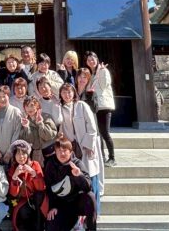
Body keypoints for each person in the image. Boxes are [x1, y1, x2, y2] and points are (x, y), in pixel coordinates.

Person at [58, 83, 104, 213]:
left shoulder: (82, 105)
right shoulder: (60, 108)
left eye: (69, 92)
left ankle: (95, 211)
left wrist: (88, 144)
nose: (67, 95)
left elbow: (92, 127)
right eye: (64, 92)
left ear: (74, 93)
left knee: (90, 177)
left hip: (85, 146)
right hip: (71, 148)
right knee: (77, 178)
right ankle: (81, 212)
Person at [44, 136, 96, 231]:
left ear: (71, 152)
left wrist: (79, 175)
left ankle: (90, 227)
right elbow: (48, 187)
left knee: (90, 197)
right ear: (55, 152)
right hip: (61, 204)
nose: (62, 153)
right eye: (59, 151)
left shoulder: (77, 163)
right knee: (51, 224)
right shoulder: (50, 164)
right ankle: (75, 223)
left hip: (77, 201)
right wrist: (53, 206)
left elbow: (88, 188)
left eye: (65, 150)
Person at [85, 51, 116, 166]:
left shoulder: (103, 70)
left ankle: (112, 158)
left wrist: (101, 72)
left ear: (97, 59)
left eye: (93, 59)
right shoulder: (92, 74)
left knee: (105, 132)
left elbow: (104, 85)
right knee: (99, 133)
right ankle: (102, 157)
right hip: (95, 107)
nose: (91, 61)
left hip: (104, 106)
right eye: (88, 60)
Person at [7, 139, 45, 231]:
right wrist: (15, 176)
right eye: (18, 154)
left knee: (39, 200)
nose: (21, 157)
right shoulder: (13, 169)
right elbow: (13, 194)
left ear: (28, 154)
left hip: (37, 201)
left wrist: (33, 173)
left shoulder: (35, 165)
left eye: (23, 153)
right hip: (22, 201)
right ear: (14, 156)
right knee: (24, 212)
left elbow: (41, 188)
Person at [0, 86, 22, 165]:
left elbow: (17, 132)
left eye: (4, 96)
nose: (2, 99)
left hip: (12, 153)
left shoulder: (16, 111)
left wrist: (10, 151)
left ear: (8, 96)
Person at [18, 96, 58, 164]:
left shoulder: (46, 116)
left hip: (50, 151)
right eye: (27, 106)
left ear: (37, 106)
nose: (30, 108)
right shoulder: (24, 121)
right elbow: (29, 141)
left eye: (32, 105)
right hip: (35, 155)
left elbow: (49, 135)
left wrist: (40, 123)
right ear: (24, 108)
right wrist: (26, 127)